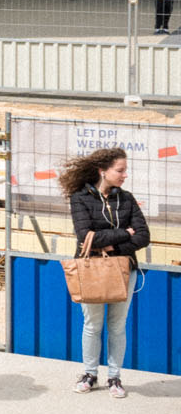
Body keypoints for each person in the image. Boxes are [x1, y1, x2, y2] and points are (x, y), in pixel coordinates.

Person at [61, 146, 151, 397]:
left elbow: (143, 236)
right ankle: (90, 373)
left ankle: (114, 377)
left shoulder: (127, 199)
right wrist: (124, 233)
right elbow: (84, 235)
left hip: (123, 270)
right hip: (92, 269)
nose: (125, 176)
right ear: (103, 171)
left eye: (125, 171)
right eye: (120, 170)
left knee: (117, 325)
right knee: (92, 324)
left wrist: (112, 242)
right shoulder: (80, 198)